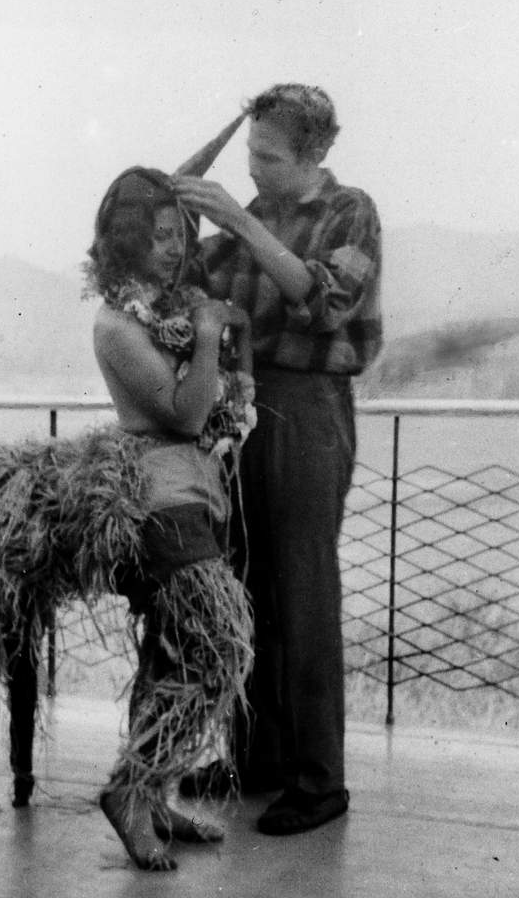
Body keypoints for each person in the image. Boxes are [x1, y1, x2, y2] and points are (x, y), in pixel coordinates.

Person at [173, 82, 383, 836]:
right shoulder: (254, 216)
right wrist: (169, 224)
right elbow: (195, 285)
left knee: (303, 594)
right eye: (250, 151)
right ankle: (257, 759)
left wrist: (232, 217)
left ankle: (320, 781)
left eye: (267, 155)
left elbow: (325, 300)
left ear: (315, 153)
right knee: (244, 585)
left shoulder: (349, 210)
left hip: (308, 411)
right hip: (243, 409)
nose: (254, 167)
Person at [87, 166, 255, 870]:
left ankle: (153, 795)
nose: (173, 247)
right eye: (157, 235)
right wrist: (213, 335)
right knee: (222, 646)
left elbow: (216, 403)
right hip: (159, 499)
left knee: (171, 654)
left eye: (179, 234)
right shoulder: (121, 324)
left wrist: (214, 337)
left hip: (195, 490)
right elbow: (186, 414)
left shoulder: (171, 307)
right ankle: (130, 788)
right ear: (127, 241)